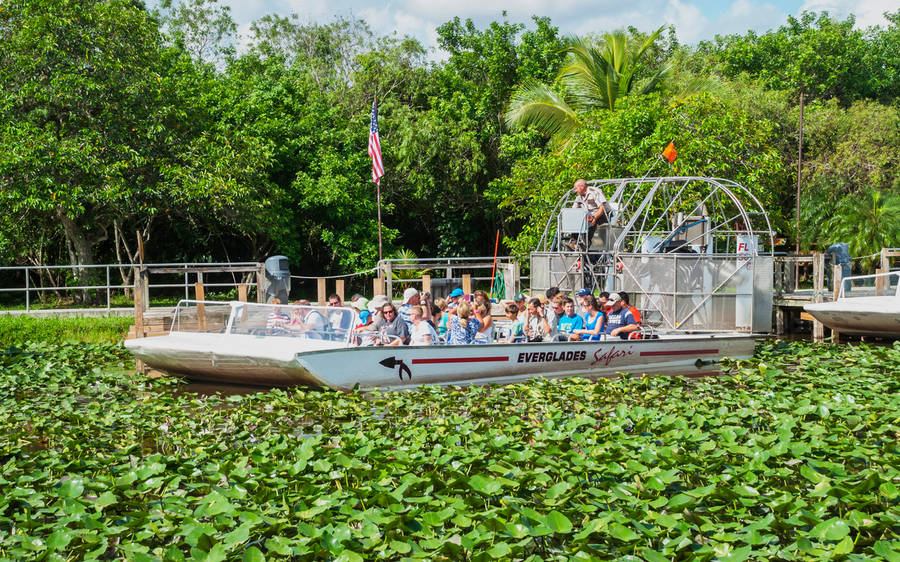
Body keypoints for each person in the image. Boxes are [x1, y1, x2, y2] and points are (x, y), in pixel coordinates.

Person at [567, 178, 610, 250]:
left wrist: (594, 218)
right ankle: (573, 243)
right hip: (590, 215)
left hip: (604, 214)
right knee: (577, 220)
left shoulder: (594, 192)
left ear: (582, 187)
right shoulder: (579, 197)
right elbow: (573, 210)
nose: (575, 190)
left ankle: (585, 244)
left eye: (576, 188)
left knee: (590, 221)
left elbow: (602, 208)